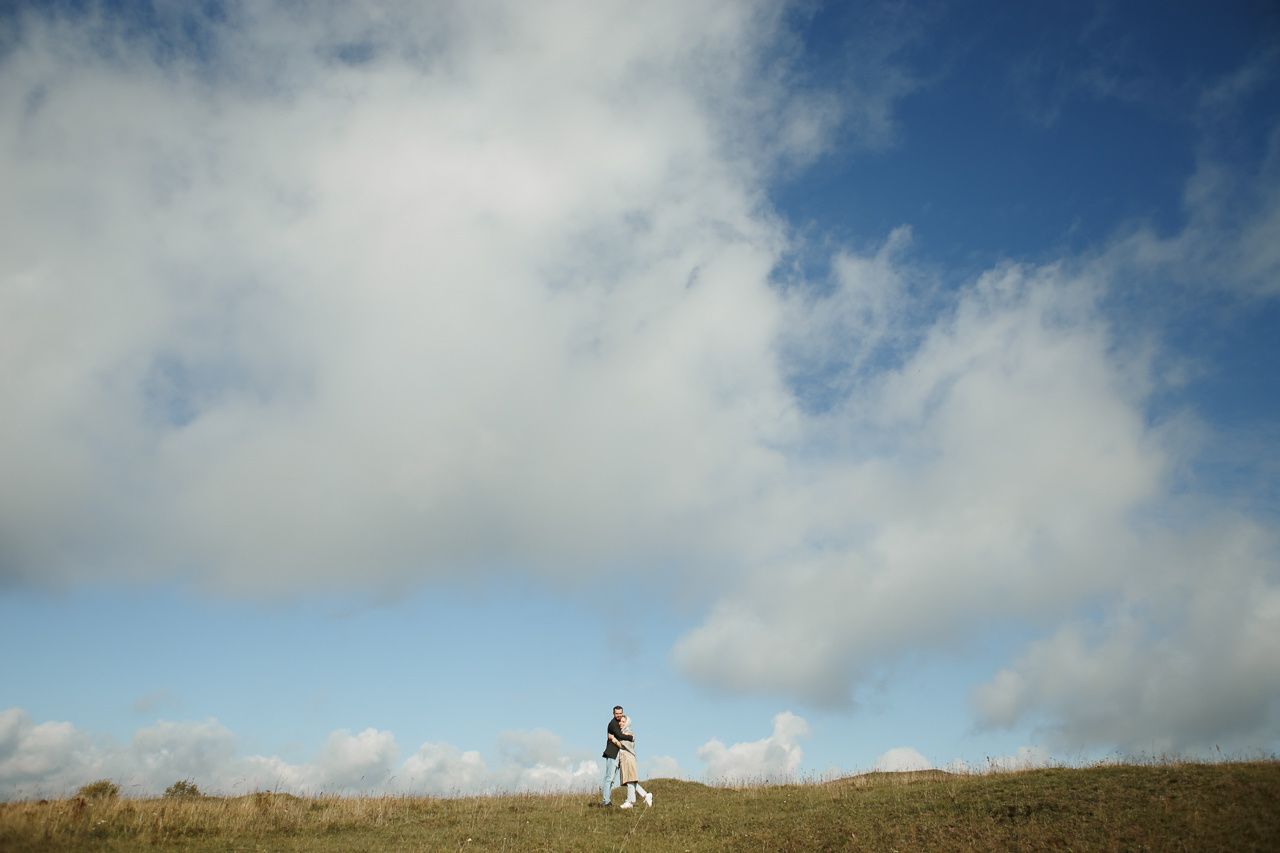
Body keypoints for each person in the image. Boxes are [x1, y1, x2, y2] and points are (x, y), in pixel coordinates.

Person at [616, 715, 653, 808]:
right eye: (620, 721)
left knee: (630, 780)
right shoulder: (623, 732)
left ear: (627, 723)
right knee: (631, 780)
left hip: (628, 758)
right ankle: (645, 795)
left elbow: (624, 745)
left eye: (623, 722)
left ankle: (630, 801)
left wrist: (614, 740)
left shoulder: (628, 732)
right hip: (624, 758)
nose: (621, 723)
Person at [599, 705, 631, 806]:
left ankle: (607, 800)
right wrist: (632, 738)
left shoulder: (621, 723)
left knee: (612, 779)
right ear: (613, 714)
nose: (618, 715)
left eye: (620, 713)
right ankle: (606, 801)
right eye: (617, 714)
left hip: (618, 754)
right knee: (609, 778)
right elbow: (620, 736)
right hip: (612, 754)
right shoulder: (613, 724)